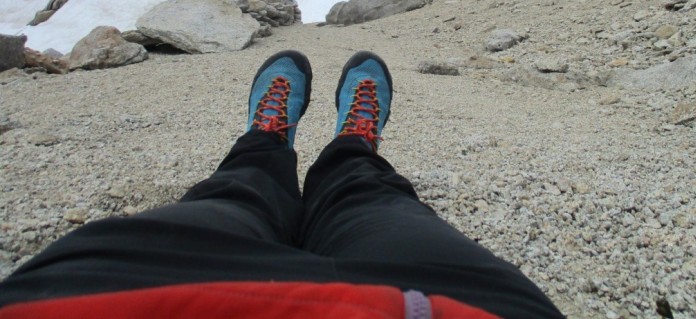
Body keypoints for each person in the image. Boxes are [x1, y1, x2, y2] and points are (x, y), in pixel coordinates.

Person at [0, 50, 565, 318]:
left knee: (233, 193)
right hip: (452, 302)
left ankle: (267, 147)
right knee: (373, 198)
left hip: (110, 289)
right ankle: (351, 150)